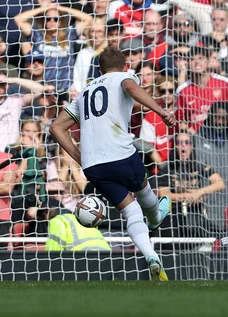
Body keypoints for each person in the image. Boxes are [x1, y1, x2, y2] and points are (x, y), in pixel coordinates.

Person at [51, 46, 176, 281]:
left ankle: (151, 256)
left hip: (93, 166)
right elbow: (129, 86)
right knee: (144, 191)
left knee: (130, 211)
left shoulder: (84, 91)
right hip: (120, 153)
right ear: (126, 66)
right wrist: (161, 111)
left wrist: (80, 158)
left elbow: (56, 127)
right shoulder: (124, 77)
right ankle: (156, 217)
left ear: (99, 70)